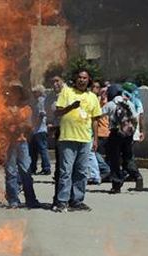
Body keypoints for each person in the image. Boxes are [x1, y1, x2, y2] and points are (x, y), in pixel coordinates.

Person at [53, 69, 102, 212]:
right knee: (66, 171)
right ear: (75, 79)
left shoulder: (93, 97)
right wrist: (70, 107)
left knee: (81, 172)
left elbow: (95, 120)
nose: (82, 80)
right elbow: (57, 112)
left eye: (85, 78)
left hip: (85, 139)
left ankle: (77, 200)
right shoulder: (66, 92)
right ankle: (62, 201)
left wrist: (95, 139)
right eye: (79, 77)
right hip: (67, 137)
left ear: (89, 80)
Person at [3, 83, 39, 208]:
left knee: (26, 171)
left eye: (17, 91)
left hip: (22, 142)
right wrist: (15, 125)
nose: (14, 93)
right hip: (8, 143)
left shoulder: (26, 108)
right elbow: (2, 126)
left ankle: (31, 199)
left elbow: (29, 126)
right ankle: (13, 199)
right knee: (11, 172)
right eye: (12, 91)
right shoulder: (4, 109)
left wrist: (17, 126)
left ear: (20, 94)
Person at [102, 85, 141, 194]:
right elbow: (135, 118)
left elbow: (98, 115)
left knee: (114, 159)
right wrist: (132, 132)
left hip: (115, 134)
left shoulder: (110, 104)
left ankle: (116, 183)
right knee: (128, 157)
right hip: (128, 134)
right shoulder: (129, 103)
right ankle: (136, 175)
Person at [29, 84, 51, 175]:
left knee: (42, 150)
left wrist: (34, 125)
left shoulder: (41, 101)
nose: (33, 93)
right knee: (33, 150)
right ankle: (33, 168)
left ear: (39, 92)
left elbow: (42, 114)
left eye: (35, 92)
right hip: (35, 130)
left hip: (40, 130)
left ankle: (46, 168)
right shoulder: (35, 101)